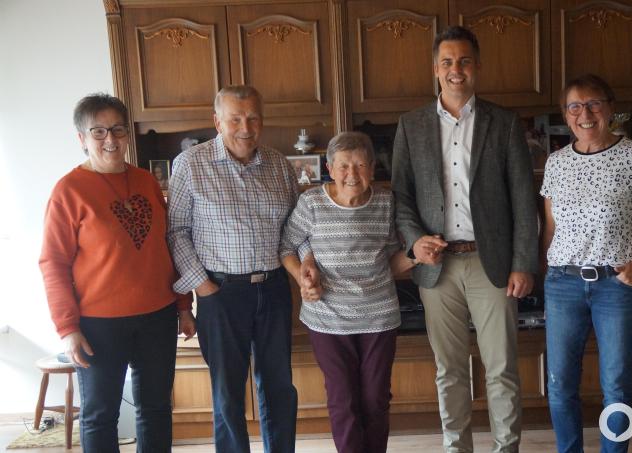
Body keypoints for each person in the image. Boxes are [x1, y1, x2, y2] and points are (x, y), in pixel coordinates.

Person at [392, 26, 540, 452]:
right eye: (447, 62)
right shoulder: (411, 125)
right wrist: (415, 242)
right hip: (436, 267)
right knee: (449, 370)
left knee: (502, 368)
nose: (455, 69)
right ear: (435, 69)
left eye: (464, 61)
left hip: (492, 264)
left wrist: (523, 263)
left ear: (477, 66)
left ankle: (506, 448)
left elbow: (523, 198)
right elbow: (401, 196)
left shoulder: (505, 123)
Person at [39, 93, 195, 453]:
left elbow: (167, 245)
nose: (110, 139)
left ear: (127, 134)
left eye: (118, 129)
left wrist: (183, 305)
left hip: (157, 316)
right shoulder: (68, 191)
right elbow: (53, 263)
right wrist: (67, 328)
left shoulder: (146, 181)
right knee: (100, 414)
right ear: (82, 138)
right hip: (98, 324)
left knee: (156, 408)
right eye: (99, 131)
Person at [540, 74, 632, 453]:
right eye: (575, 106)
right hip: (563, 284)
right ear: (565, 114)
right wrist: (545, 277)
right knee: (559, 384)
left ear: (610, 108)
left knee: (617, 386)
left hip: (616, 287)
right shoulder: (556, 163)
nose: (585, 114)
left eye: (593, 104)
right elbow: (551, 228)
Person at [167, 85, 299, 452]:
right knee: (227, 392)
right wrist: (203, 287)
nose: (246, 128)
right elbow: (176, 231)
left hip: (273, 289)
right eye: (235, 119)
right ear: (217, 122)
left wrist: (303, 269)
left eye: (253, 118)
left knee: (279, 387)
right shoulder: (190, 164)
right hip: (221, 292)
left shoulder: (279, 164)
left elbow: (296, 228)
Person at [280, 131, 415, 453]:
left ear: (372, 168)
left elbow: (391, 259)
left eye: (360, 165)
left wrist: (416, 256)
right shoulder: (312, 203)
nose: (352, 174)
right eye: (343, 166)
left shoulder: (385, 202)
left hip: (378, 316)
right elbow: (287, 245)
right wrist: (302, 276)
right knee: (343, 400)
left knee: (376, 398)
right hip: (327, 318)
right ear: (329, 168)